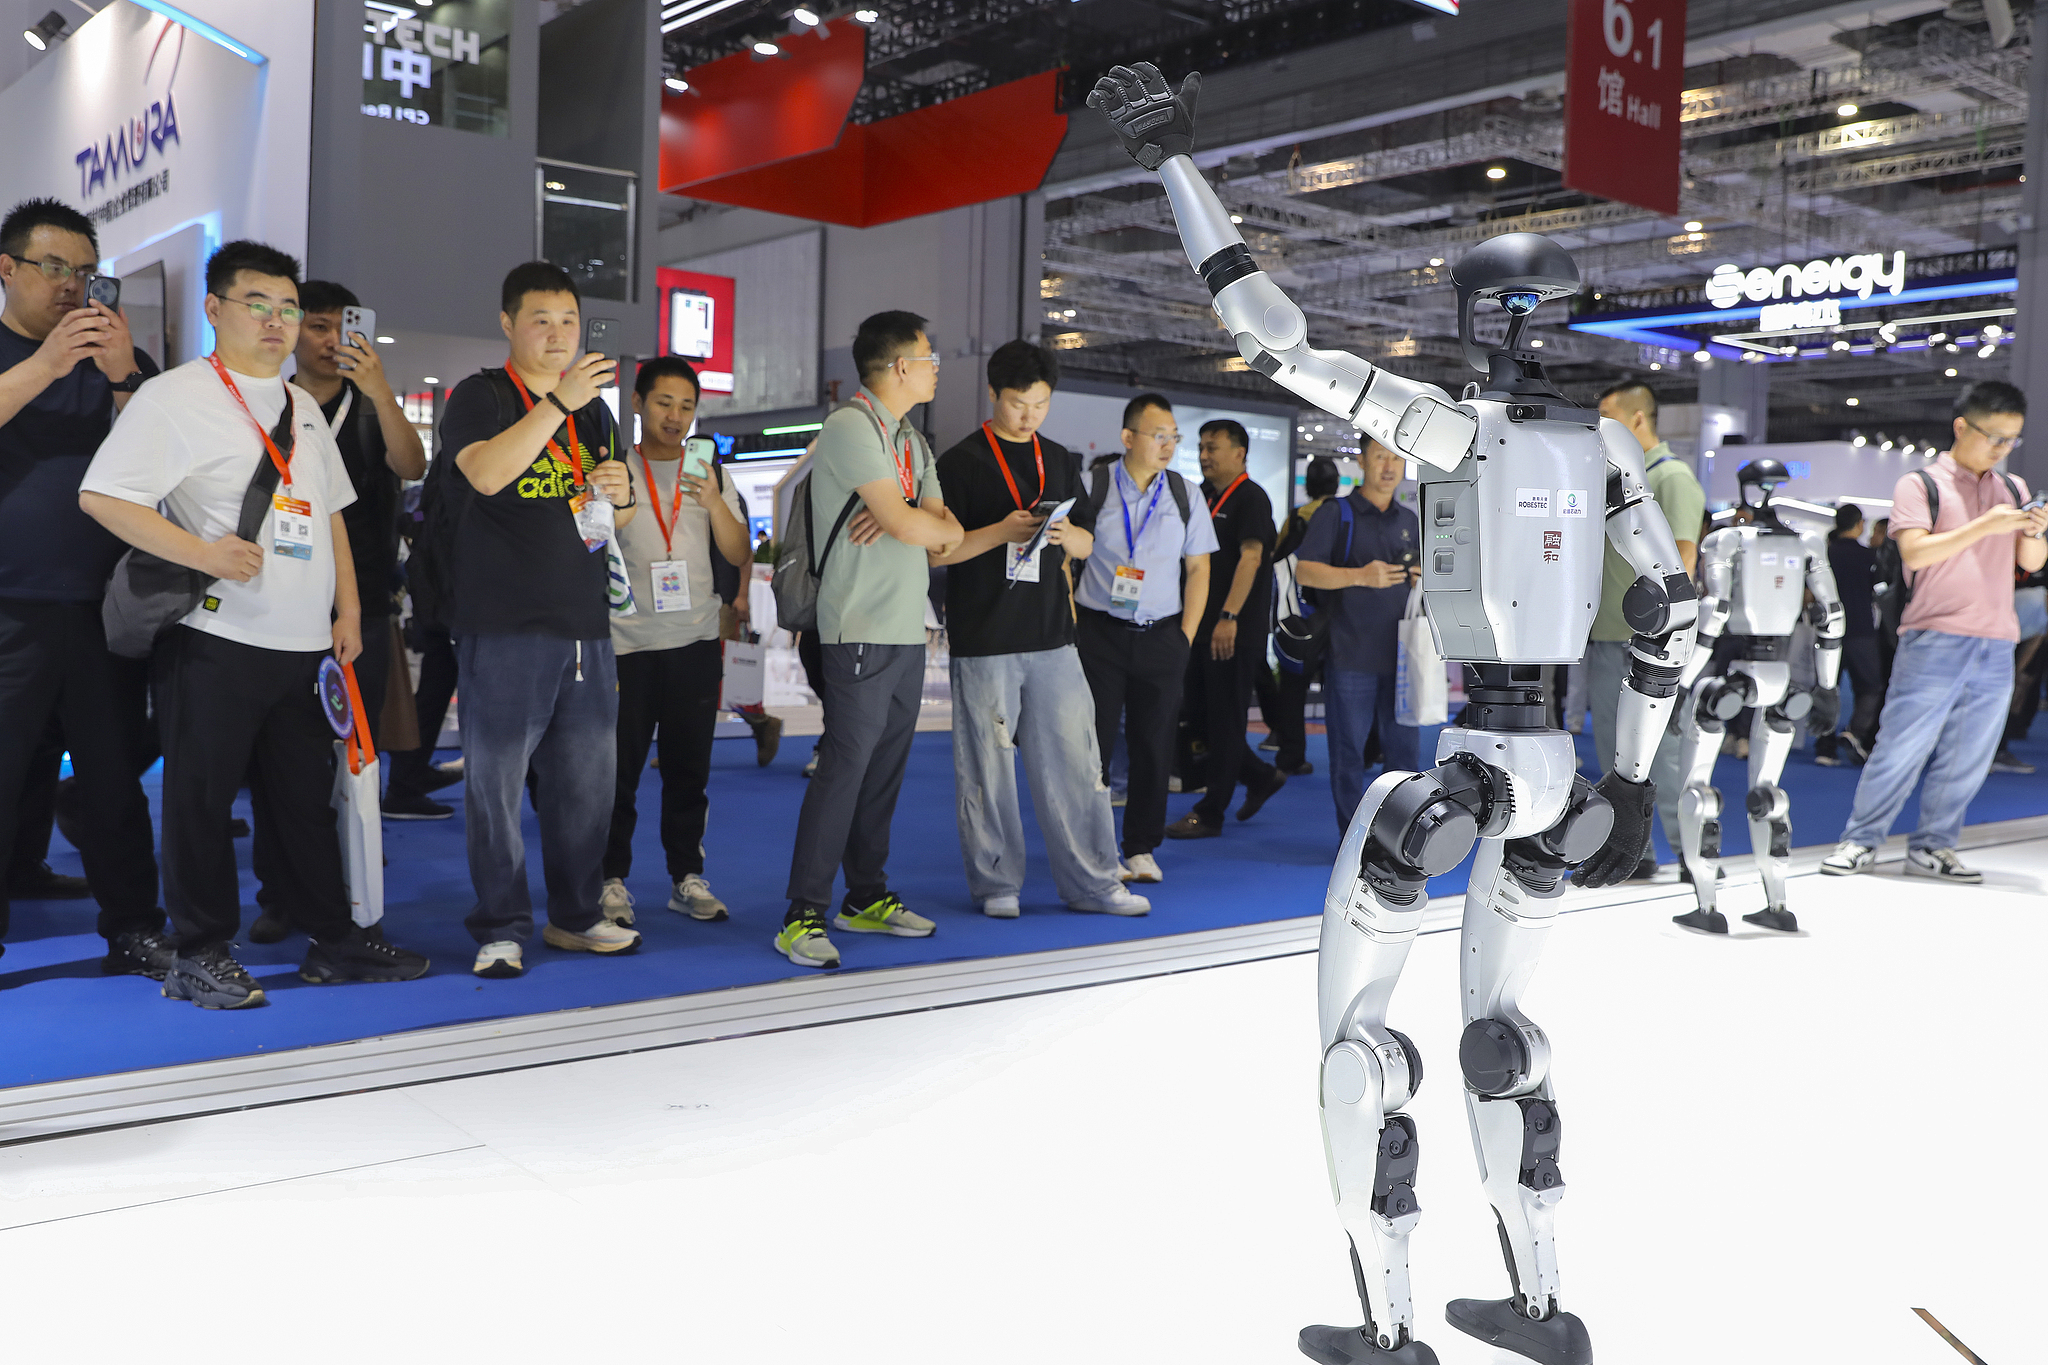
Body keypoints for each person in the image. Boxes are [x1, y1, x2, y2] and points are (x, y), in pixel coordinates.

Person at [79, 240, 430, 1006]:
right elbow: (103, 496)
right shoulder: (175, 396)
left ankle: (332, 939)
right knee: (200, 802)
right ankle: (200, 949)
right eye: (257, 305)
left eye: (287, 308)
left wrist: (349, 610)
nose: (276, 322)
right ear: (215, 309)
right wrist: (201, 549)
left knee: (302, 803)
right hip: (213, 636)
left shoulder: (302, 404)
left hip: (303, 645)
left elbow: (332, 510)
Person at [438, 261, 644, 978]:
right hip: (504, 623)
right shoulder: (482, 395)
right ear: (508, 323)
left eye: (568, 320)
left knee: (587, 781)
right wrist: (557, 403)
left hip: (586, 623)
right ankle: (499, 923)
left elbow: (613, 513)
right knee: (494, 784)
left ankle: (576, 913)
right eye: (541, 320)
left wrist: (620, 494)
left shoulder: (596, 411)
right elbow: (487, 473)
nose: (558, 334)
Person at [0, 197, 169, 977]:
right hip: (10, 606)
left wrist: (125, 375)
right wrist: (45, 365)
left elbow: (162, 466)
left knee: (111, 781)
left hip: (103, 607)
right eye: (54, 267)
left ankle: (134, 925)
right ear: (8, 270)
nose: (73, 286)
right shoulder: (19, 355)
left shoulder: (119, 365)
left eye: (87, 272)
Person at [238, 281, 432, 948]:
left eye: (335, 328)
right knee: (276, 764)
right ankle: (279, 894)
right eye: (311, 324)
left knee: (355, 759)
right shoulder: (263, 400)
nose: (325, 339)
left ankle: (352, 892)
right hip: (273, 606)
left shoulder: (373, 407)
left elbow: (414, 463)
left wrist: (380, 389)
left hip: (364, 607)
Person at [931, 340, 1146, 919]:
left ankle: (1094, 883)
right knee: (987, 766)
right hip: (984, 637)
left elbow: (1083, 539)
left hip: (1054, 636)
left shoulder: (1060, 457)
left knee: (1078, 764)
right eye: (1017, 404)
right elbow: (937, 553)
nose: (1028, 416)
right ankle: (997, 883)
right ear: (994, 395)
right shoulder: (960, 463)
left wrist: (1068, 539)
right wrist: (1002, 531)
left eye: (1040, 404)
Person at [778, 311, 962, 968]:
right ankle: (802, 913)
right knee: (842, 772)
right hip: (856, 627)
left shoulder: (910, 439)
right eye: (928, 354)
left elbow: (947, 531)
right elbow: (912, 523)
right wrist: (908, 520)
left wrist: (913, 521)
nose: (936, 364)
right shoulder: (851, 426)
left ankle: (865, 895)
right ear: (897, 367)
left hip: (906, 631)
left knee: (882, 773)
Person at [1822, 380, 2048, 882]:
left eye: (2012, 440)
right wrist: (1984, 526)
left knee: (1970, 753)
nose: (2001, 449)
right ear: (1962, 426)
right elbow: (1915, 553)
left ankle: (1934, 844)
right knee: (1901, 745)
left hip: (1996, 638)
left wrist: (2032, 531)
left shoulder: (2011, 489)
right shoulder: (1920, 484)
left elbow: (2030, 564)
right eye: (1994, 437)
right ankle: (1860, 838)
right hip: (1934, 635)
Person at [600, 357, 750, 927]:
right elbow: (591, 543)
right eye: (664, 402)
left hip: (693, 640)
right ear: (637, 402)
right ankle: (610, 879)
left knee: (691, 769)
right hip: (627, 643)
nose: (676, 416)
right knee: (620, 771)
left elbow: (738, 555)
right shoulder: (616, 469)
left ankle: (685, 875)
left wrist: (712, 500)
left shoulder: (709, 474)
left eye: (687, 406)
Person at [1071, 393, 1215, 883]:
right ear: (1128, 438)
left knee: (1154, 745)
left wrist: (1186, 637)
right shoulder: (1092, 485)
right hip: (1099, 635)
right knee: (1094, 746)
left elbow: (1199, 569)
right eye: (1159, 436)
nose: (1168, 444)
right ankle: (1092, 846)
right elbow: (1064, 559)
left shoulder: (1184, 493)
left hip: (1161, 636)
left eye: (1173, 436)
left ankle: (1140, 848)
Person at [1589, 379, 1704, 877]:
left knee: (1666, 753)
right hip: (1607, 632)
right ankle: (1634, 849)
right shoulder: (1617, 477)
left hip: (1646, 642)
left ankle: (1690, 851)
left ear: (1637, 420)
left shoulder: (1672, 477)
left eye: (1608, 416)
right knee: (1616, 751)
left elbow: (1682, 561)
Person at [1294, 437, 1421, 833]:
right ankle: (1352, 837)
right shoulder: (1337, 512)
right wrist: (1361, 576)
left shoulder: (1409, 519)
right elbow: (1305, 571)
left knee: (1404, 754)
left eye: (1397, 457)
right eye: (1380, 456)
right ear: (1362, 462)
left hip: (1403, 656)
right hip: (1350, 654)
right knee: (1348, 752)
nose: (1389, 466)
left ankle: (1400, 838)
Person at [1167, 419, 1284, 838]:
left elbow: (1251, 559)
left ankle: (1211, 811)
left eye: (1213, 447)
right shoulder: (1205, 496)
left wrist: (1229, 617)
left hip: (1232, 628)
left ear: (1240, 453)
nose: (1204, 455)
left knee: (1226, 717)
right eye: (1200, 447)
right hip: (1202, 624)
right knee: (1199, 714)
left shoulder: (1251, 498)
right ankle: (1258, 776)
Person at [1256, 454, 1340, 774]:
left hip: (1298, 616)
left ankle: (1291, 755)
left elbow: (1277, 559)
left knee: (1293, 687)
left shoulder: (1298, 517)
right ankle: (1366, 750)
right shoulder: (1342, 515)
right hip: (1337, 613)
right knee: (1346, 686)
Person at [1813, 503, 1883, 767]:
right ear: (1859, 524)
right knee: (1870, 687)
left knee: (1827, 687)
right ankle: (1855, 732)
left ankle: (1824, 745)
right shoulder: (1869, 557)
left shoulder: (1826, 554)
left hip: (1829, 630)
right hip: (1861, 630)